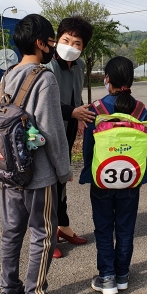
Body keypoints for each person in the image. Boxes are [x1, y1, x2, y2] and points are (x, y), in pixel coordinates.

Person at [0, 14, 72, 294]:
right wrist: (63, 171)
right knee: (43, 233)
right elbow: (52, 132)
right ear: (41, 43)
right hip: (38, 175)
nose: (54, 45)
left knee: (12, 231)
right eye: (52, 40)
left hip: (8, 170)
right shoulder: (45, 78)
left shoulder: (8, 75)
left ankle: (8, 292)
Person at [79, 56, 147, 294]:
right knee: (125, 227)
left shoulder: (96, 109)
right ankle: (122, 275)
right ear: (130, 80)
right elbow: (145, 149)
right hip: (131, 178)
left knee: (103, 227)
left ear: (107, 79)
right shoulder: (140, 109)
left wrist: (88, 171)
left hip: (102, 179)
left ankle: (106, 276)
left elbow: (88, 146)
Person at [46, 16, 95, 258]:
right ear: (57, 40)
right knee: (49, 182)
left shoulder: (79, 65)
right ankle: (48, 234)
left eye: (77, 43)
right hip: (47, 130)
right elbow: (45, 103)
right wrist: (73, 112)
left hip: (67, 128)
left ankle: (62, 227)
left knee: (62, 178)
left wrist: (81, 118)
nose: (70, 46)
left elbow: (77, 99)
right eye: (66, 40)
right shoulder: (47, 66)